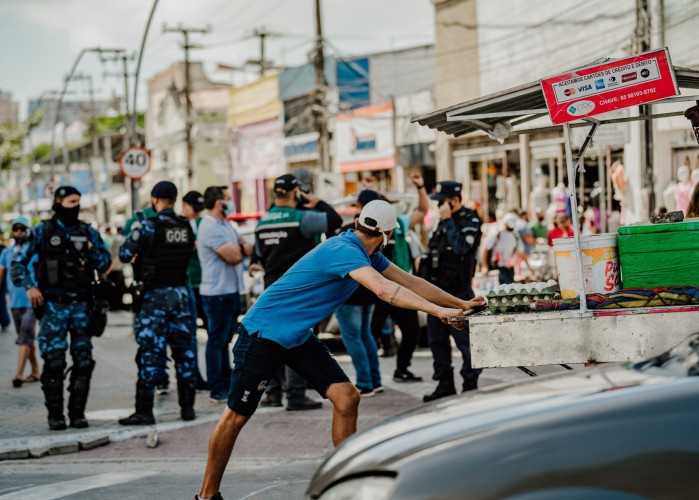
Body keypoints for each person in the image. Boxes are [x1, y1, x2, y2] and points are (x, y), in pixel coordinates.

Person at [195, 199, 484, 500]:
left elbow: (409, 281)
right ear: (386, 234)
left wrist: (460, 304)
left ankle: (345, 482)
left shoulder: (369, 254)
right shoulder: (344, 251)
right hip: (263, 334)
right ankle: (206, 495)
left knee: (347, 398)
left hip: (296, 336)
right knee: (236, 417)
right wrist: (439, 313)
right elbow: (386, 291)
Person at [11, 186, 112, 430]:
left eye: (78, 201)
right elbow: (18, 264)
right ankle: (55, 415)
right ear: (58, 202)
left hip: (81, 305)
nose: (75, 206)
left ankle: (77, 414)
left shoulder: (87, 231)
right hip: (53, 306)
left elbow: (105, 262)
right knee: (54, 362)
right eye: (70, 201)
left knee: (83, 362)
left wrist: (92, 250)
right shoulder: (42, 231)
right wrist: (30, 287)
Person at [255, 173, 342, 410]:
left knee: (272, 340)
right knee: (298, 338)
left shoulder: (262, 222)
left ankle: (273, 393)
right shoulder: (303, 218)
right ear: (296, 192)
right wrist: (318, 202)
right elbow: (334, 220)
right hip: (300, 290)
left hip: (270, 288)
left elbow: (259, 256)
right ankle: (295, 394)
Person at [118, 181, 198, 425]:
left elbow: (124, 254)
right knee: (184, 351)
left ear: (154, 199)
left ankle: (144, 411)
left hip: (154, 298)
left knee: (151, 353)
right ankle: (187, 408)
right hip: (181, 296)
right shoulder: (186, 226)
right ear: (175, 199)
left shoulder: (147, 227)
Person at [419, 181, 483, 403]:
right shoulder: (442, 223)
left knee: (466, 342)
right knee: (437, 341)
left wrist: (447, 220)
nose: (439, 207)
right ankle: (444, 383)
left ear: (454, 200)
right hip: (436, 292)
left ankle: (470, 384)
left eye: (442, 202)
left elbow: (461, 248)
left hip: (459, 294)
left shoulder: (470, 220)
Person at [370, 173, 429, 383]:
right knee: (370, 334)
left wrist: (420, 187)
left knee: (411, 331)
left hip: (400, 288)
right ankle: (370, 376)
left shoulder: (400, 224)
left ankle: (402, 369)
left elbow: (422, 211)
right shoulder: (366, 229)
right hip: (375, 289)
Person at [197, 186, 252, 403]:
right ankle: (216, 387)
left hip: (231, 291)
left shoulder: (226, 224)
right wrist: (240, 249)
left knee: (225, 340)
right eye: (228, 199)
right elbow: (235, 256)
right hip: (216, 293)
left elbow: (246, 247)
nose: (231, 203)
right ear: (219, 203)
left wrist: (241, 248)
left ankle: (225, 381)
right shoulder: (210, 227)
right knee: (216, 341)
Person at [334, 189, 384, 397]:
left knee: (354, 337)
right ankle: (375, 379)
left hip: (350, 294)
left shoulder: (349, 232)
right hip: (370, 291)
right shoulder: (381, 233)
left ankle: (365, 382)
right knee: (365, 335)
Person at [0, 217, 41, 388]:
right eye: (16, 229)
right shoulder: (6, 253)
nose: (19, 232)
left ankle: (19, 374)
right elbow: (1, 274)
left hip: (32, 301)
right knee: (25, 338)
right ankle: (36, 371)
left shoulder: (33, 251)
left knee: (25, 334)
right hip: (15, 302)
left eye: (22, 229)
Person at [182, 190, 210, 392]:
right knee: (190, 333)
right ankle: (194, 376)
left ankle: (215, 376)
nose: (196, 212)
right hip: (189, 283)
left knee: (214, 334)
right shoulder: (179, 224)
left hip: (207, 283)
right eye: (194, 208)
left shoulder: (203, 223)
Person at [481, 213, 524, 285]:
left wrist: (530, 268)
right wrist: (484, 265)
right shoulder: (496, 233)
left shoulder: (515, 235)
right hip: (497, 267)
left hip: (509, 268)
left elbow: (521, 252)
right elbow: (485, 248)